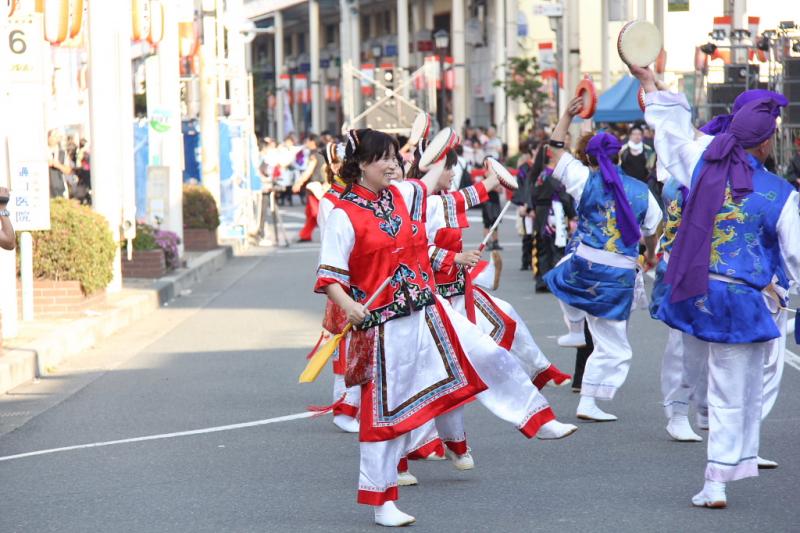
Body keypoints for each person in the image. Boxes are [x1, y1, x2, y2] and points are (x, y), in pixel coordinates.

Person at [316, 128, 575, 526]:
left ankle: (539, 420)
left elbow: (432, 178)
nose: (392, 164)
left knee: (486, 351)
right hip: (383, 325)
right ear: (360, 164)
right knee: (387, 415)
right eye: (383, 158)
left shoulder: (401, 195)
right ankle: (382, 500)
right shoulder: (342, 214)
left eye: (394, 158)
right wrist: (349, 305)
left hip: (427, 307)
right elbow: (330, 275)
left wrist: (445, 147)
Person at [636, 63, 799, 509]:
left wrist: (649, 84)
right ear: (767, 142)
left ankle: (682, 416)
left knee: (698, 370)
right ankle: (716, 479)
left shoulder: (702, 165)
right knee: (734, 389)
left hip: (693, 292)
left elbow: (672, 135)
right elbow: (796, 256)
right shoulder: (781, 193)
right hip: (742, 302)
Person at [545, 97, 662, 422]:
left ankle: (573, 325)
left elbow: (554, 150)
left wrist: (566, 116)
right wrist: (649, 255)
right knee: (616, 347)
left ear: (590, 157)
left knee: (558, 275)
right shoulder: (640, 190)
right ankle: (589, 401)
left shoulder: (585, 180)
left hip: (583, 266)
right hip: (616, 277)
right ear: (619, 155)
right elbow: (652, 231)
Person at [294, 134, 324, 242]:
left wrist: (298, 183)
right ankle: (305, 234)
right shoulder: (323, 152)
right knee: (311, 213)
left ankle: (329, 232)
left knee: (315, 212)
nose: (306, 143)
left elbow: (309, 171)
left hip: (314, 186)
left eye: (308, 141)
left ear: (313, 142)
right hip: (323, 185)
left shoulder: (314, 155)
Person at [47, 129, 73, 199]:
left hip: (60, 189)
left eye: (57, 136)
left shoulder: (62, 153)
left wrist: (58, 165)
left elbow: (69, 171)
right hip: (45, 190)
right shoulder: (42, 152)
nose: (55, 138)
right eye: (53, 136)